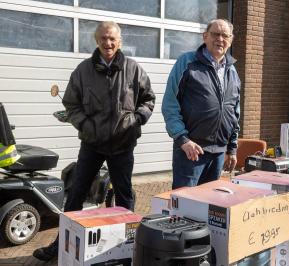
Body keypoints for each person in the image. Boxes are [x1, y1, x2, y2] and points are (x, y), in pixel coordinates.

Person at [33, 21, 155, 261]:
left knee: (124, 195)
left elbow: (148, 99)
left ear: (119, 41)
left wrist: (137, 119)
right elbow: (71, 103)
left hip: (123, 144)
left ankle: (127, 245)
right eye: (103, 39)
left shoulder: (133, 69)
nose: (108, 43)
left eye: (112, 39)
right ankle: (62, 243)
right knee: (77, 192)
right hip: (92, 143)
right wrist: (85, 125)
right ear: (96, 41)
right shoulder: (82, 71)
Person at [162, 19, 240, 189]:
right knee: (185, 205)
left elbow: (234, 113)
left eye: (225, 35)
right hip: (191, 151)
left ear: (231, 40)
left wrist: (231, 148)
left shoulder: (232, 71)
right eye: (215, 34)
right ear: (205, 37)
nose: (220, 39)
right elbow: (170, 104)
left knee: (209, 206)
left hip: (218, 153)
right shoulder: (187, 62)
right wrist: (182, 139)